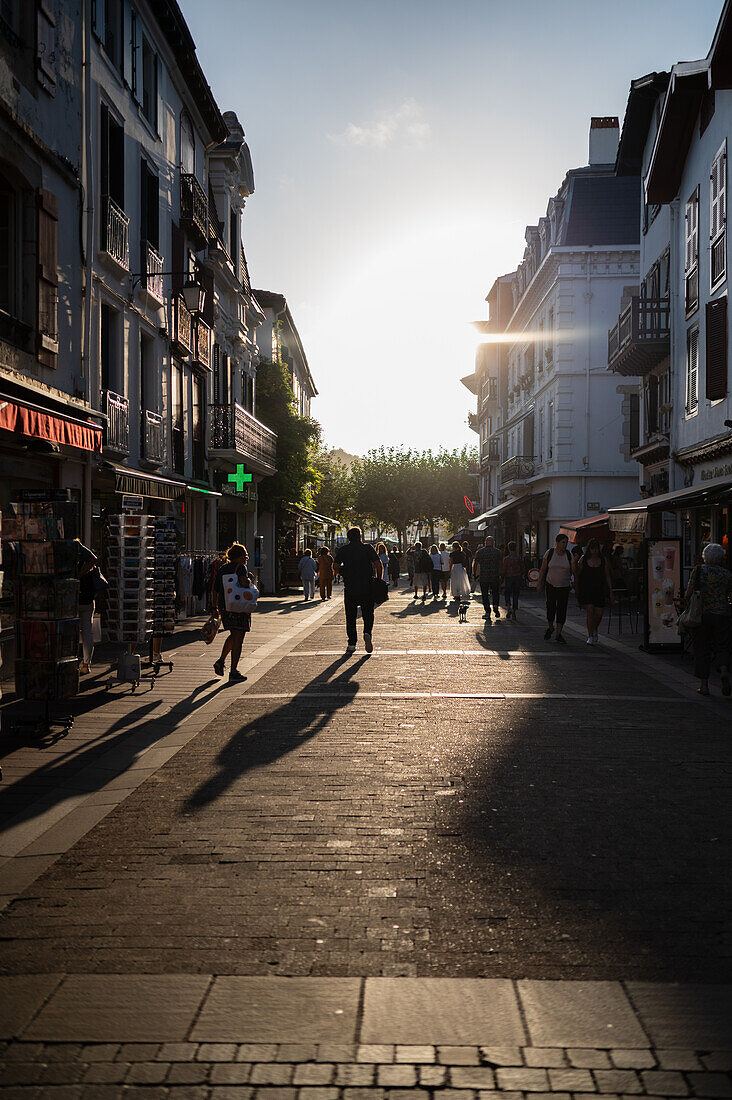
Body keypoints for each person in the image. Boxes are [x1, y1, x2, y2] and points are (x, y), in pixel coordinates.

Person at [683, 542, 732, 696]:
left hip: (702, 614)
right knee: (723, 646)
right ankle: (723, 669)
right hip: (722, 614)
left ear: (705, 557)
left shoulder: (698, 571)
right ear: (721, 558)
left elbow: (689, 592)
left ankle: (704, 685)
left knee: (702, 648)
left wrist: (686, 600)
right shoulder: (727, 574)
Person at [334, 526, 382, 654]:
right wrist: (378, 579)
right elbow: (378, 563)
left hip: (350, 587)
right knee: (368, 613)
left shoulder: (344, 550)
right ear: (360, 536)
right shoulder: (367, 548)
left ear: (348, 537)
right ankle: (367, 633)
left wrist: (340, 573)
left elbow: (335, 565)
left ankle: (351, 643)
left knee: (350, 616)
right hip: (367, 586)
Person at [213, 543, 255, 682]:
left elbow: (216, 589)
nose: (247, 557)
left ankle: (221, 660)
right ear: (239, 556)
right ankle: (233, 671)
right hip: (239, 607)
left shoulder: (222, 568)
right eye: (245, 554)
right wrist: (249, 579)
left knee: (233, 634)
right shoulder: (241, 567)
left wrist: (214, 608)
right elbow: (244, 583)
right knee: (239, 638)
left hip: (225, 607)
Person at [575, 537, 614, 644]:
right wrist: (577, 590)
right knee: (590, 611)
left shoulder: (603, 560)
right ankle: (590, 635)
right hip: (587, 589)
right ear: (589, 549)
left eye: (596, 549)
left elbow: (607, 576)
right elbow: (578, 574)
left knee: (599, 613)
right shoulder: (583, 559)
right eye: (592, 549)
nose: (595, 551)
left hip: (599, 589)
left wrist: (611, 591)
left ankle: (594, 628)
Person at [538, 532, 574, 645]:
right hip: (551, 585)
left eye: (566, 543)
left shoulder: (569, 555)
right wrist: (539, 583)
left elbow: (574, 570)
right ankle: (550, 627)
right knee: (550, 607)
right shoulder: (550, 553)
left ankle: (558, 633)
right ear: (557, 543)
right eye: (563, 543)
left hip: (564, 587)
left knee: (562, 609)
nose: (565, 545)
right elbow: (543, 569)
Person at [76, 539, 99, 674]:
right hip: (87, 598)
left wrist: (77, 575)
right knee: (87, 632)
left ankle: (74, 661)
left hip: (71, 599)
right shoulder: (80, 550)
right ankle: (86, 664)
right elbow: (94, 558)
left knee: (71, 632)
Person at [473, 535, 502, 621]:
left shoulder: (480, 552)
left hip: (484, 576)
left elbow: (475, 563)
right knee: (495, 592)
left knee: (485, 594)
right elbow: (501, 564)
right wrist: (501, 574)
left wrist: (474, 574)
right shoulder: (498, 552)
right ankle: (496, 606)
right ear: (493, 543)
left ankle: (487, 612)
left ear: (485, 543)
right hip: (495, 576)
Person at [501, 540, 523, 621]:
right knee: (516, 594)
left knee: (507, 593)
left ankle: (509, 607)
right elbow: (522, 567)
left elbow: (504, 570)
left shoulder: (506, 559)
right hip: (517, 577)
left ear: (509, 549)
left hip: (508, 577)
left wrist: (502, 578)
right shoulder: (518, 558)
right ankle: (514, 610)